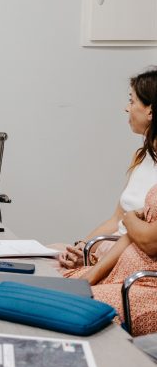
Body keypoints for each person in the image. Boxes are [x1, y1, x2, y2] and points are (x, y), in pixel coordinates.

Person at [57, 67, 157, 269]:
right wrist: (82, 247)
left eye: (132, 101)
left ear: (151, 111)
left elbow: (145, 240)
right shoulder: (141, 156)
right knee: (48, 254)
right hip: (109, 249)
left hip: (130, 259)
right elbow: (117, 219)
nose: (127, 108)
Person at [63, 185, 157, 336]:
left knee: (71, 306)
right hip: (121, 275)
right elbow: (133, 234)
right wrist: (91, 275)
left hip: (147, 287)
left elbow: (149, 241)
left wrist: (130, 218)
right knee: (59, 286)